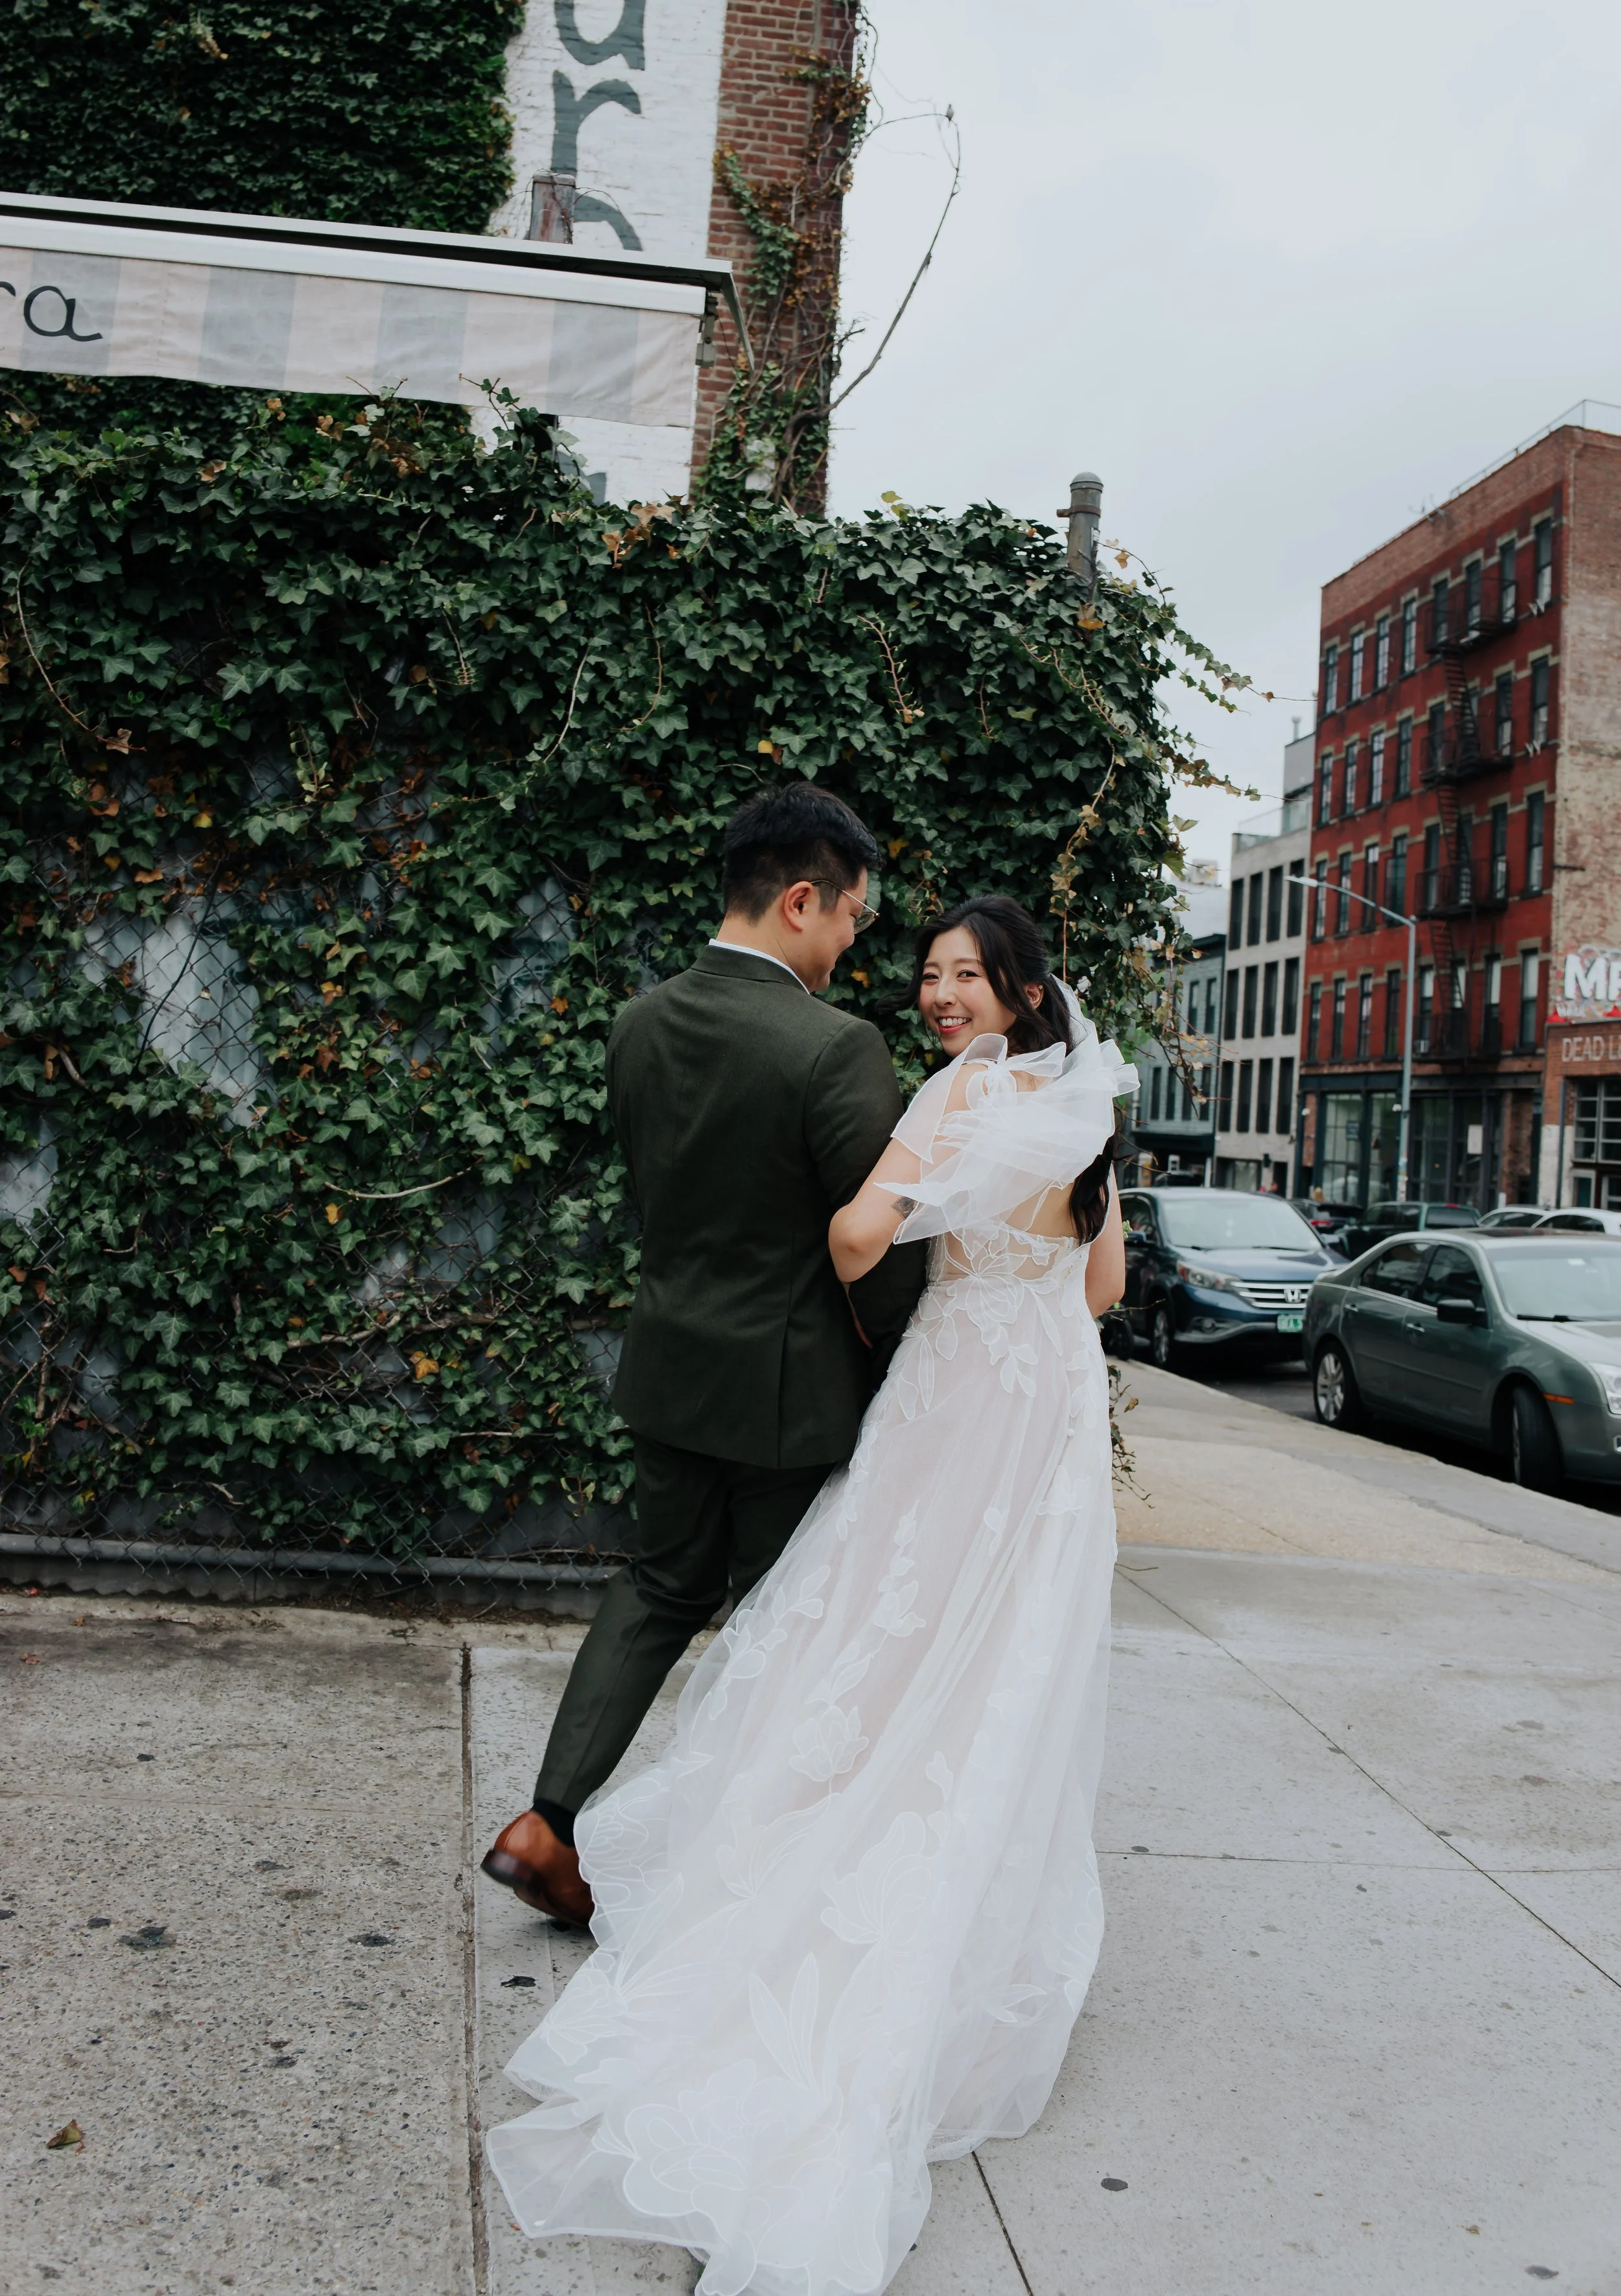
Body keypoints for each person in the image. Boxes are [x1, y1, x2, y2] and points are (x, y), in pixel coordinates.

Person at [487, 891, 1135, 2296]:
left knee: (871, 1623)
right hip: (1046, 1423)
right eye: (927, 972)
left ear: (1016, 992)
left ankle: (769, 1860)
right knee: (998, 1661)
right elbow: (1099, 1288)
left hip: (955, 1396)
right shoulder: (1084, 1104)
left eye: (961, 975)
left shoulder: (954, 1100)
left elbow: (852, 1241)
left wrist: (914, 1201)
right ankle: (962, 1900)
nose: (937, 994)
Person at [481, 782, 927, 1925]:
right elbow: (872, 1254)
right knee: (789, 1628)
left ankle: (549, 1816)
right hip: (790, 1395)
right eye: (850, 917)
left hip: (670, 1367)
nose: (850, 942)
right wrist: (913, 1360)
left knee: (659, 1586)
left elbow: (663, 1200)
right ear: (798, 900)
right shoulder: (837, 1047)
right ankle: (752, 1879)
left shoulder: (638, 1024)